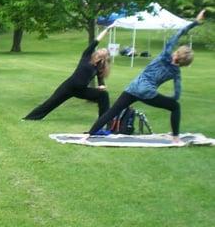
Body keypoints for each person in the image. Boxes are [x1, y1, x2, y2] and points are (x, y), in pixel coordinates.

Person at [87, 9, 206, 142]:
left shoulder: (165, 54)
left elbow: (179, 33)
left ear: (177, 52)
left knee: (113, 111)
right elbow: (177, 95)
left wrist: (195, 22)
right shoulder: (176, 73)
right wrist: (167, 99)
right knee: (175, 106)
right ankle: (176, 137)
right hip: (148, 92)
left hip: (133, 87)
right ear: (185, 63)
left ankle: (91, 133)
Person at [23, 26, 112, 121]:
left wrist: (102, 86)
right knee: (51, 102)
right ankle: (29, 118)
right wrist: (106, 30)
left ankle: (103, 121)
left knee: (103, 95)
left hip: (81, 90)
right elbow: (96, 41)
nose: (101, 49)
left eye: (104, 50)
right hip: (69, 86)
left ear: (105, 57)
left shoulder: (99, 67)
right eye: (101, 48)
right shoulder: (87, 56)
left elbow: (101, 81)